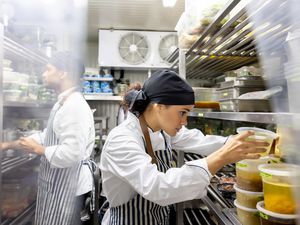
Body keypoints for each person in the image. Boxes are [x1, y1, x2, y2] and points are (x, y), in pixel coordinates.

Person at [99, 69, 268, 225]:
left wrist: (236, 142)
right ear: (159, 106)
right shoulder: (121, 140)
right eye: (182, 112)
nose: (185, 122)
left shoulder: (162, 131)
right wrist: (221, 157)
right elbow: (157, 187)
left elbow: (200, 140)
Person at [1, 52, 95, 225]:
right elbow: (48, 135)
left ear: (63, 73)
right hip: (60, 187)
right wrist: (8, 144)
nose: (43, 74)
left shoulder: (74, 106)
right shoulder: (63, 102)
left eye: (48, 69)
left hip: (69, 191)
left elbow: (72, 153)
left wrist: (39, 150)